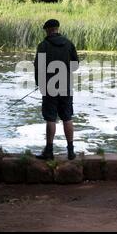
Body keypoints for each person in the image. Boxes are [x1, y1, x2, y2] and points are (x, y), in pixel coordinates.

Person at [34, 19, 79, 160]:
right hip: (66, 86)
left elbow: (38, 68)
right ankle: (71, 151)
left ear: (47, 30)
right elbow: (75, 66)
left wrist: (39, 84)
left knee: (50, 118)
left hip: (49, 87)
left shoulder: (43, 46)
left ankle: (49, 151)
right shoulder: (69, 44)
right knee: (67, 117)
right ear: (57, 29)